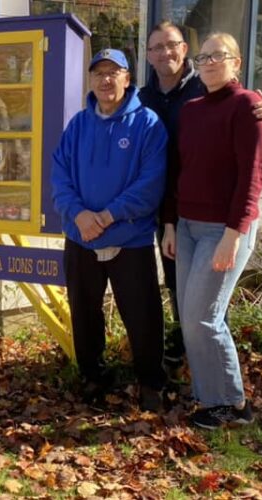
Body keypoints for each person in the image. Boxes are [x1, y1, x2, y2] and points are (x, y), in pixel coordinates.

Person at [138, 21, 262, 368]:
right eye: (157, 47)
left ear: (184, 49)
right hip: (168, 207)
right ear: (148, 55)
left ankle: (214, 367)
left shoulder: (204, 87)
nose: (165, 52)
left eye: (172, 44)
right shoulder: (144, 98)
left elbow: (253, 124)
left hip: (212, 216)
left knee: (207, 300)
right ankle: (190, 350)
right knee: (179, 287)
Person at [161, 33, 262, 429]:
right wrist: (171, 223)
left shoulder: (250, 107)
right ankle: (213, 395)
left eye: (218, 56)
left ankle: (232, 403)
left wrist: (233, 233)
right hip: (187, 227)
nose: (209, 62)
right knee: (191, 317)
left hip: (223, 231)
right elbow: (180, 170)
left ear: (236, 63)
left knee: (202, 317)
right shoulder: (190, 110)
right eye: (204, 56)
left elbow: (252, 177)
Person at [52, 49, 169, 412]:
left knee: (142, 313)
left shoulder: (148, 124)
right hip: (80, 238)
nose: (106, 80)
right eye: (99, 72)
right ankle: (92, 376)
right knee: (84, 312)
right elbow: (59, 176)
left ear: (128, 79)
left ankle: (151, 381)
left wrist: (106, 215)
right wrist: (79, 215)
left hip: (128, 239)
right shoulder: (78, 125)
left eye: (113, 72)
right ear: (90, 80)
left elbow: (150, 183)